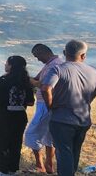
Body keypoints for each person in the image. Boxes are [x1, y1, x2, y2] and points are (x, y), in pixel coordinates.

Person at [41, 40, 96, 176]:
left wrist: (50, 105)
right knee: (75, 151)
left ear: (64, 53)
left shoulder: (58, 69)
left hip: (61, 119)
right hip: (83, 118)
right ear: (83, 55)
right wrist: (85, 103)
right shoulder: (95, 72)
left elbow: (45, 88)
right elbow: (95, 92)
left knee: (63, 153)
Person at [0, 56, 35, 176]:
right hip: (20, 117)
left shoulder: (4, 81)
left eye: (7, 63)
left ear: (11, 66)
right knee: (16, 143)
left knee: (2, 143)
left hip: (4, 117)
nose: (5, 65)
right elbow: (31, 102)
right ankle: (12, 169)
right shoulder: (26, 83)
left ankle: (3, 170)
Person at [24, 44, 63, 173]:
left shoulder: (54, 65)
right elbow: (37, 79)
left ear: (43, 52)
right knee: (49, 135)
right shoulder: (50, 65)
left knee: (31, 133)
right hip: (48, 103)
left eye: (37, 56)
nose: (37, 59)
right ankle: (49, 165)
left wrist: (33, 82)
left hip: (46, 103)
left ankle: (40, 164)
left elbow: (43, 85)